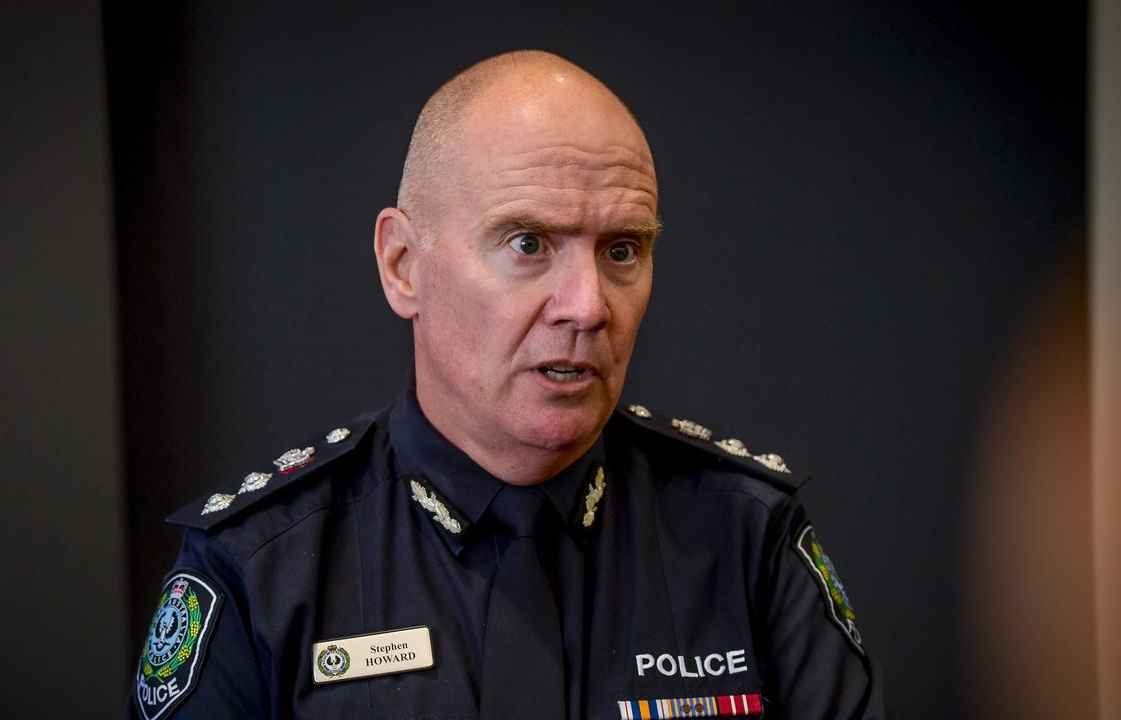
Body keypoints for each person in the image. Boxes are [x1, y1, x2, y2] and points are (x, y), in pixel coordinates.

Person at [127, 50, 886, 720]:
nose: (588, 306)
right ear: (402, 265)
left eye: (622, 249)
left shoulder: (745, 539)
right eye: (528, 243)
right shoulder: (260, 569)